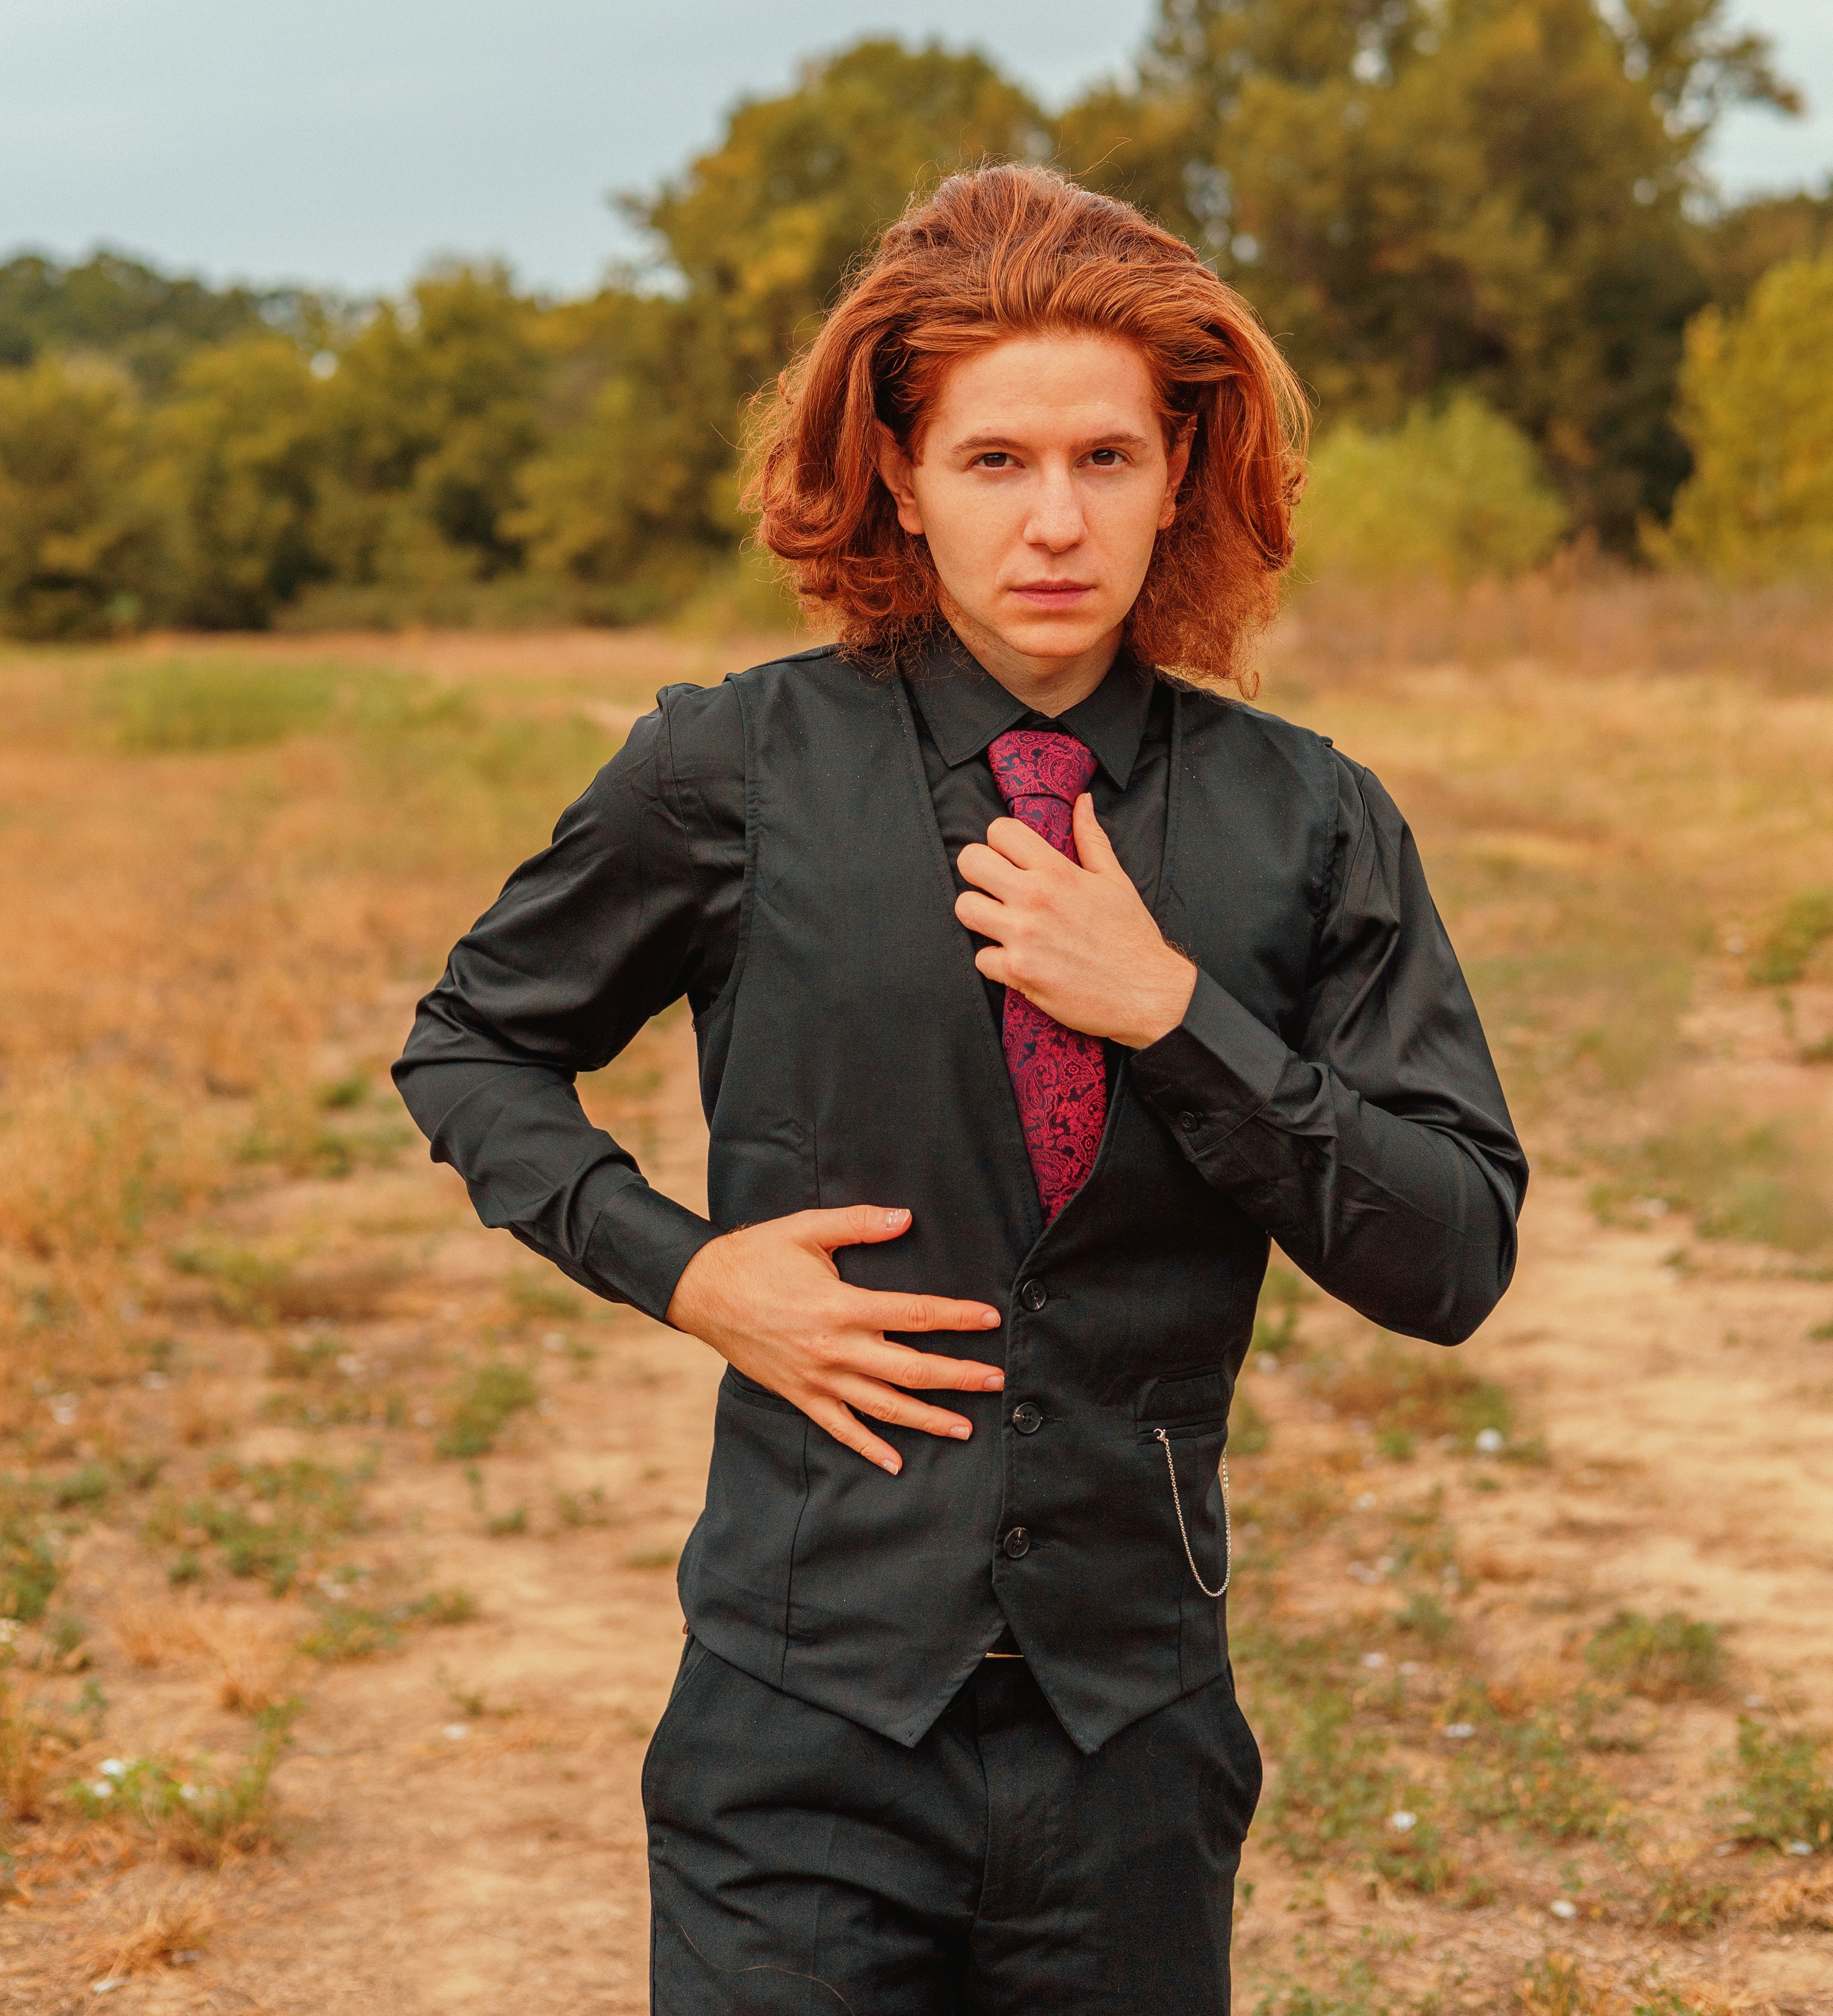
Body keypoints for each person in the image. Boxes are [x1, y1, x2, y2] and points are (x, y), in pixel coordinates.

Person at [394, 163, 1526, 2015]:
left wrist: (1173, 1013)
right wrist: (689, 1272)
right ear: (902, 479)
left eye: (1105, 458)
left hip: (1137, 1742)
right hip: (795, 1732)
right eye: (996, 460)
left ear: (1179, 472)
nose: (1055, 520)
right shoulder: (728, 768)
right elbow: (471, 1043)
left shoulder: (1310, 818)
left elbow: (1454, 1253)